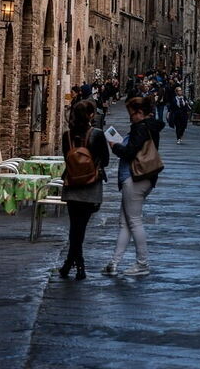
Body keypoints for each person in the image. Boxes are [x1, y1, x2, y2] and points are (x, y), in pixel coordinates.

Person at [102, 96, 164, 277]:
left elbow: (130, 152)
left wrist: (114, 146)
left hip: (135, 177)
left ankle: (142, 263)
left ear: (140, 113)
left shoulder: (141, 128)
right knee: (125, 222)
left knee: (134, 221)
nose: (130, 118)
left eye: (131, 114)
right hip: (142, 177)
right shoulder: (149, 127)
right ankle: (114, 263)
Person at [60, 99, 110, 281]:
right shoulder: (97, 134)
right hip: (91, 186)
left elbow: (66, 158)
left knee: (75, 227)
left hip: (72, 185)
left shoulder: (66, 136)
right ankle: (79, 265)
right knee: (80, 228)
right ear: (90, 115)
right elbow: (105, 160)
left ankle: (69, 264)